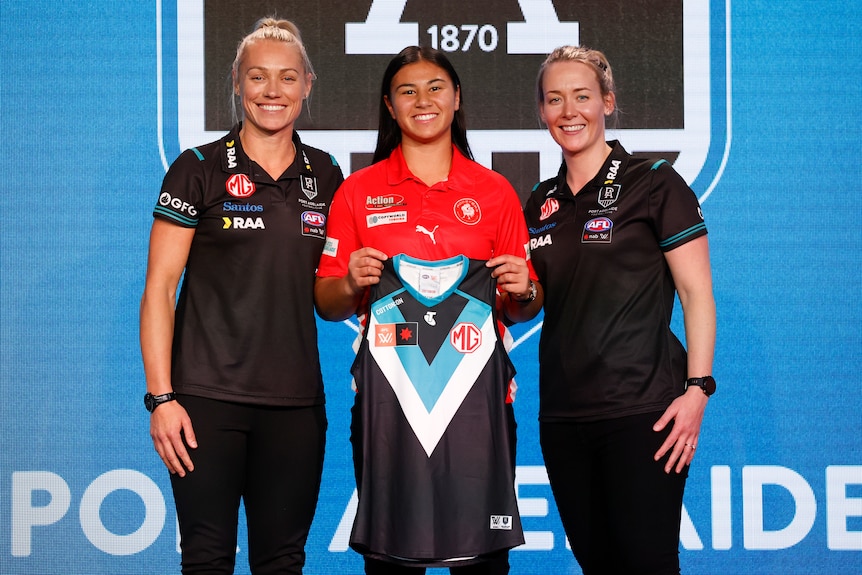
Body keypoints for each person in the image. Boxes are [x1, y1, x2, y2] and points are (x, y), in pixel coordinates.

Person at [314, 46, 542, 574]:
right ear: (389, 107)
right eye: (407, 90)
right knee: (392, 561)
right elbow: (326, 301)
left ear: (457, 99)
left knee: (482, 562)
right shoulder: (357, 192)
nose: (423, 100)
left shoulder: (495, 192)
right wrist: (350, 281)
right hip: (387, 402)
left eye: (436, 87)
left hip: (478, 405)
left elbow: (524, 305)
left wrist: (523, 289)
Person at [139, 17, 343, 574]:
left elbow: (337, 289)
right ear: (235, 82)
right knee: (207, 560)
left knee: (282, 561)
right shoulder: (196, 168)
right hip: (204, 401)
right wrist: (161, 399)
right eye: (257, 77)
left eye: (286, 78)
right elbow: (159, 287)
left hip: (296, 405)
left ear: (307, 84)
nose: (271, 91)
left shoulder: (326, 175)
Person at [523, 45, 717, 574]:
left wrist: (698, 389)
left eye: (582, 96)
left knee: (646, 563)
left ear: (607, 102)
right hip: (562, 416)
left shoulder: (654, 181)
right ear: (541, 112)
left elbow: (697, 292)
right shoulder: (538, 201)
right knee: (598, 565)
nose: (569, 111)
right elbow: (528, 304)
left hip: (643, 412)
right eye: (555, 99)